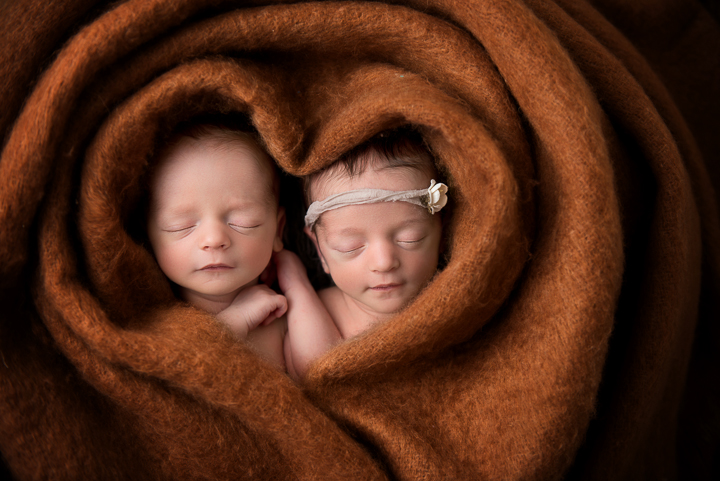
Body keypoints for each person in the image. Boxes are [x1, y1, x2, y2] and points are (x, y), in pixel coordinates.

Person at [145, 120, 340, 379]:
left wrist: (297, 285)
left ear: (277, 230)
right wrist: (237, 320)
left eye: (241, 223)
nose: (214, 240)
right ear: (149, 235)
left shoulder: (280, 312)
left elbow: (324, 369)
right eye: (182, 226)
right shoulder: (158, 315)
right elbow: (175, 374)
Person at [302, 128, 449, 339]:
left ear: (442, 232)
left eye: (410, 238)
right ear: (320, 251)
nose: (383, 262)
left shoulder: (455, 302)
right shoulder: (310, 310)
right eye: (351, 246)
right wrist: (296, 286)